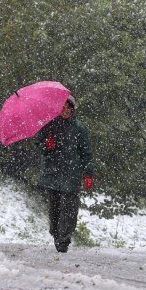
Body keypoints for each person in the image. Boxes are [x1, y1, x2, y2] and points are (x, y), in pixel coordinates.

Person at [36, 95, 94, 253]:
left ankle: (64, 240)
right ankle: (56, 234)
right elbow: (39, 145)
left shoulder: (79, 129)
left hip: (71, 174)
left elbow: (86, 154)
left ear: (73, 109)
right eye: (62, 107)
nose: (65, 110)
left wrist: (88, 174)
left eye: (68, 107)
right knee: (54, 207)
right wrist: (46, 146)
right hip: (52, 173)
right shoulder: (49, 126)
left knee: (69, 208)